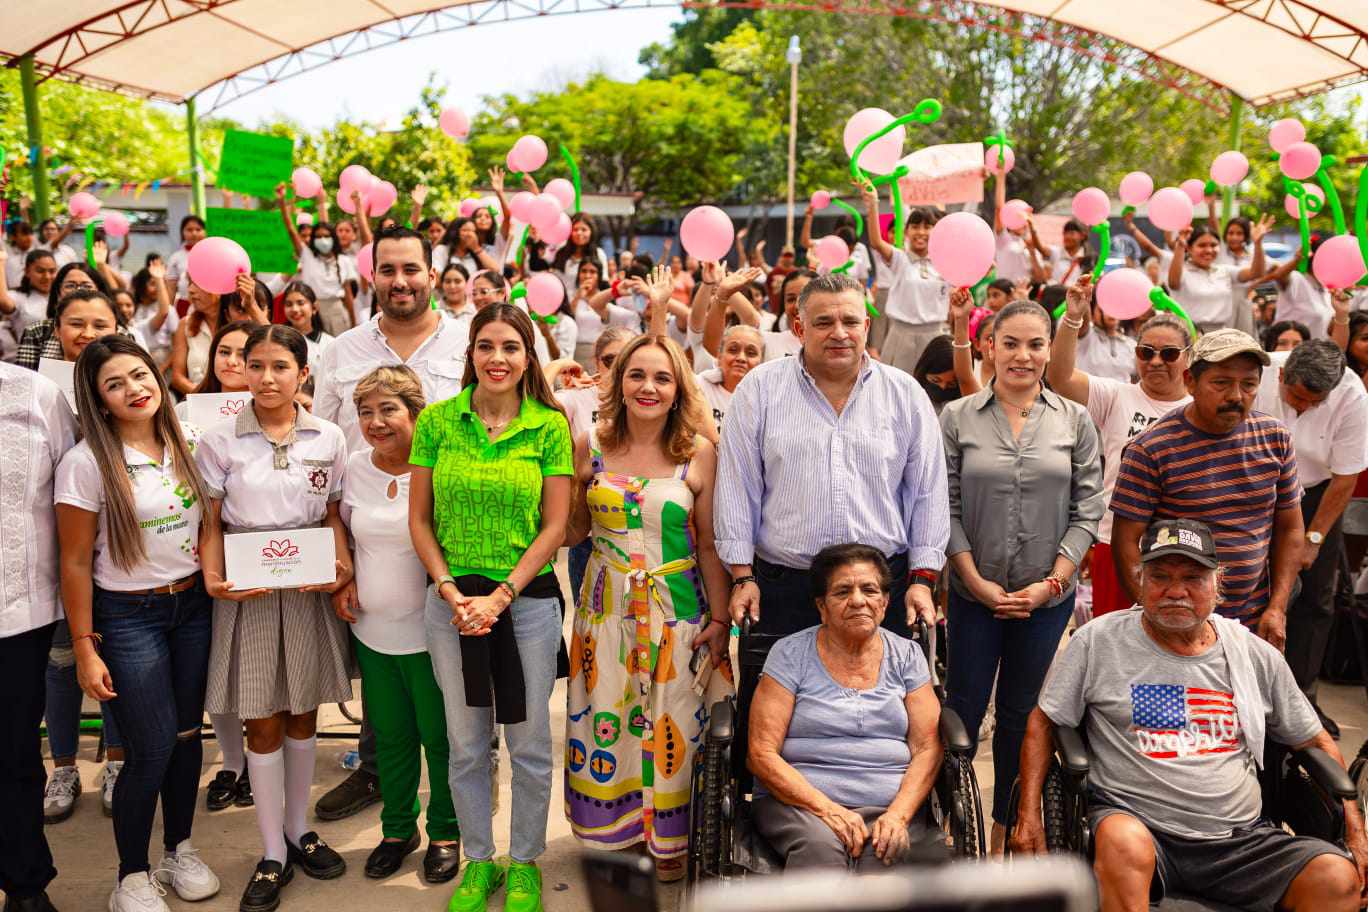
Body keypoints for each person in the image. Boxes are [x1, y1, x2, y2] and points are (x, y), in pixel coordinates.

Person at [1012, 518, 1367, 912]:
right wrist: (1029, 816)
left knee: (1336, 880)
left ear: (1217, 585)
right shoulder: (1097, 641)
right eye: (1160, 576)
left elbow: (1315, 740)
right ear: (1140, 582)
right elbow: (1043, 722)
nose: (1176, 591)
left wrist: (1355, 830)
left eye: (1193, 578)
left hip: (1240, 839)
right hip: (1138, 827)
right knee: (1122, 842)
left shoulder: (1253, 654)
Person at [410, 304, 572, 912]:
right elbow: (419, 520)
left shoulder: (548, 427)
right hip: (452, 605)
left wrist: (501, 596)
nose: (496, 358)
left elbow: (555, 526)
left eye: (510, 347)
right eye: (485, 346)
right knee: (467, 744)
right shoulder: (437, 421)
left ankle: (524, 860)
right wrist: (451, 591)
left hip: (524, 605)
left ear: (528, 358)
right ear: (470, 352)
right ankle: (479, 859)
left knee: (528, 744)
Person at [55, 336, 219, 911]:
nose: (134, 389)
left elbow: (211, 524)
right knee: (149, 747)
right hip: (128, 616)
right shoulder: (85, 465)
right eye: (114, 384)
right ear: (98, 400)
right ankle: (131, 874)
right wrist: (85, 647)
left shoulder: (189, 441)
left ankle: (179, 850)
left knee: (187, 737)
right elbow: (75, 562)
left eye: (140, 374)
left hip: (192, 607)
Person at [310, 227, 469, 819]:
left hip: (453, 534)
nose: (399, 281)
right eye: (388, 270)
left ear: (433, 274)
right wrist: (338, 557)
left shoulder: (469, 341)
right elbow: (324, 438)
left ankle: (468, 781)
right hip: (368, 526)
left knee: (454, 678)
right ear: (371, 275)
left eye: (411, 269)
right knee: (383, 664)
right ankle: (378, 774)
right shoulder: (342, 349)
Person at [195, 324, 354, 911]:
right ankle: (270, 852)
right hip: (251, 590)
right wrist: (213, 576)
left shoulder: (328, 436)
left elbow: (333, 514)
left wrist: (341, 566)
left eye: (280, 366)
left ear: (302, 373)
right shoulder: (219, 440)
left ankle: (298, 830)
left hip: (307, 586)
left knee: (303, 714)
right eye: (255, 365)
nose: (266, 378)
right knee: (261, 719)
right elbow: (212, 521)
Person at [563, 331, 733, 880]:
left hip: (676, 616)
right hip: (605, 617)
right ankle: (619, 831)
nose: (648, 387)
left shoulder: (698, 452)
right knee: (608, 721)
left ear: (679, 388)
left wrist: (720, 619)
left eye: (662, 377)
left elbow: (709, 545)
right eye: (636, 374)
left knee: (673, 726)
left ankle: (671, 840)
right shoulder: (590, 443)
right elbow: (571, 532)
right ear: (618, 382)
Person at [939, 298, 1103, 850]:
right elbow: (945, 507)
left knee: (1022, 715)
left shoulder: (1074, 420)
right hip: (972, 594)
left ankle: (1007, 827)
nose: (1022, 356)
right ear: (989, 347)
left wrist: (1052, 583)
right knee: (962, 709)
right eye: (1010, 343)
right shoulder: (958, 417)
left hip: (1046, 600)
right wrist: (974, 580)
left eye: (1035, 344)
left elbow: (1087, 510)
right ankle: (953, 826)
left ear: (1050, 350)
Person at [717, 272, 948, 641]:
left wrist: (923, 580)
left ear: (866, 327)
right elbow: (737, 487)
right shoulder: (759, 391)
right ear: (799, 328)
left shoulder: (905, 394)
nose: (839, 333)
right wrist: (742, 577)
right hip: (785, 589)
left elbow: (928, 493)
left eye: (850, 322)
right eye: (823, 322)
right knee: (779, 681)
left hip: (881, 589)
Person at [335, 366, 461, 883]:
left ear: (416, 413)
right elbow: (339, 524)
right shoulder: (355, 467)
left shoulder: (441, 467)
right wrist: (344, 577)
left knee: (441, 738)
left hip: (432, 634)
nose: (376, 422)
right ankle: (397, 829)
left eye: (388, 409)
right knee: (390, 737)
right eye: (365, 412)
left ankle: (446, 831)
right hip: (373, 632)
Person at [748, 544, 941, 871]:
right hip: (800, 806)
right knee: (820, 852)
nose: (858, 600)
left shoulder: (907, 656)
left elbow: (928, 747)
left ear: (884, 603)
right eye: (842, 592)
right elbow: (761, 752)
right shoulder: (789, 654)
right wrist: (827, 809)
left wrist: (898, 815)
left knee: (884, 860)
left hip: (889, 806)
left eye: (870, 590)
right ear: (821, 607)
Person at [1111, 329, 1303, 645]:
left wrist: (1277, 607)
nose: (1236, 396)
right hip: (1176, 624)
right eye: (1221, 383)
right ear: (1190, 381)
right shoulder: (1151, 449)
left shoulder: (1275, 438)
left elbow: (1290, 529)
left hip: (1252, 623)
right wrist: (1156, 616)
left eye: (1248, 384)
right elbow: (1125, 542)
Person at [1047, 277, 1194, 617]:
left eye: (1169, 354)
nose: (1156, 361)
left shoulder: (1199, 409)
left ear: (1188, 358)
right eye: (1146, 352)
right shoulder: (1116, 396)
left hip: (1180, 547)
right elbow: (1060, 377)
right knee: (1115, 636)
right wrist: (1073, 318)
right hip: (1114, 541)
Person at [1254, 340, 1368, 737]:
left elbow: (1346, 477)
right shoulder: (1261, 372)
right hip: (1256, 486)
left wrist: (1314, 538)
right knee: (1251, 586)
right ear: (1283, 376)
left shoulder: (1352, 396)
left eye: (1314, 403)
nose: (1303, 407)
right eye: (1297, 397)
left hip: (1317, 493)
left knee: (1316, 597)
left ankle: (1301, 698)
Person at [0, 358, 76, 912]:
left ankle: (25, 884)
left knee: (13, 752)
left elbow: (72, 497)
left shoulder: (35, 395)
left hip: (16, 615)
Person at [860, 184, 948, 373]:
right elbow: (876, 242)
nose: (921, 232)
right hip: (902, 335)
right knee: (897, 384)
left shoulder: (944, 262)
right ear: (907, 232)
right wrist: (873, 204)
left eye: (927, 227)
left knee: (932, 385)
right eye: (915, 227)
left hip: (934, 335)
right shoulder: (900, 258)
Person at [276, 184, 358, 336]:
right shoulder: (307, 256)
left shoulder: (343, 260)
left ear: (333, 238)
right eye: (318, 237)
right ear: (313, 240)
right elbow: (291, 230)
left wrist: (354, 324)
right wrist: (283, 202)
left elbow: (349, 296)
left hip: (337, 314)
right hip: (311, 314)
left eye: (326, 236)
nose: (323, 240)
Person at [1167, 220, 1270, 333]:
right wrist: (1180, 244)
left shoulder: (1224, 270)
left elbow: (1256, 273)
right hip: (1189, 334)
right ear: (1189, 248)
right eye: (1202, 245)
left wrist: (1258, 244)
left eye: (1213, 245)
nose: (1209, 250)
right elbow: (1173, 283)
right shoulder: (1181, 271)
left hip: (1220, 334)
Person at [15, 263, 112, 371]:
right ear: (58, 292)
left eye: (87, 286)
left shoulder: (120, 333)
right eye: (70, 286)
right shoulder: (37, 331)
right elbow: (24, 377)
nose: (79, 290)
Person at [696, 323, 764, 433]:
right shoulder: (699, 386)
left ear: (762, 363)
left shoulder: (766, 402)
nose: (741, 358)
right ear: (719, 357)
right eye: (733, 350)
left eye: (751, 353)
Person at [128, 263, 177, 370]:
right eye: (153, 284)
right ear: (141, 285)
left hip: (162, 362)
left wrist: (162, 368)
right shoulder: (131, 308)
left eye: (160, 284)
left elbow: (177, 345)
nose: (159, 289)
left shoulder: (169, 310)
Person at [280, 282, 334, 367]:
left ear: (314, 307)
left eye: (300, 303)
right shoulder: (281, 341)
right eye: (289, 304)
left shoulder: (330, 342)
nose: (295, 309)